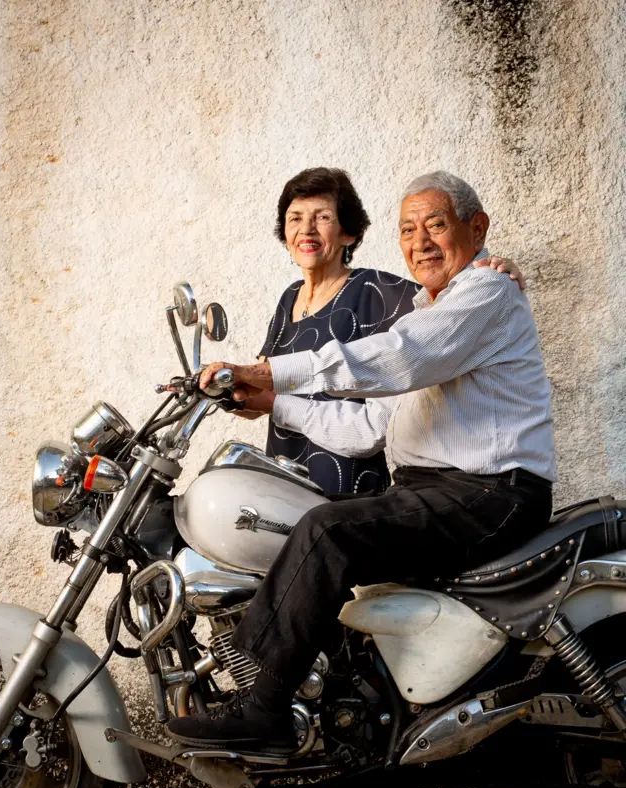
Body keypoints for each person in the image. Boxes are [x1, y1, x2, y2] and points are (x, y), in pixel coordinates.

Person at [167, 171, 556, 754]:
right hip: (441, 491)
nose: (420, 241)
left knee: (327, 531)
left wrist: (271, 372)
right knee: (318, 522)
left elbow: (399, 358)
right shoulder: (427, 311)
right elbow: (368, 426)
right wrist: (278, 404)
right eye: (408, 229)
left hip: (492, 492)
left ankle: (263, 707)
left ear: (477, 230)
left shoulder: (486, 294)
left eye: (436, 224)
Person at [239, 167, 524, 495]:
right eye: (295, 218)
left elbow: (432, 324)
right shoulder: (288, 298)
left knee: (325, 533)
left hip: (348, 477)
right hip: (286, 465)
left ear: (348, 232)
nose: (306, 230)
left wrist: (487, 265)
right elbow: (264, 385)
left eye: (322, 218)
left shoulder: (380, 291)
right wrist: (237, 393)